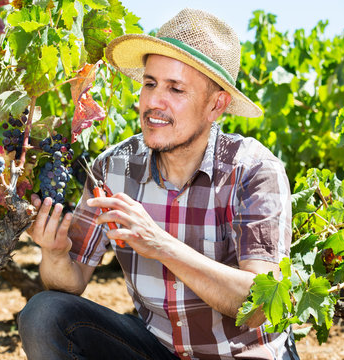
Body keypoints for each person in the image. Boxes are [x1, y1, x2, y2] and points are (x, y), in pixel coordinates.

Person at [18, 8, 299, 360]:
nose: (152, 102)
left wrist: (160, 244)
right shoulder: (112, 168)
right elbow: (69, 281)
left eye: (175, 89)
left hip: (243, 352)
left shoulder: (254, 171)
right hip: (158, 348)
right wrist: (55, 254)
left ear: (216, 105)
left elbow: (261, 305)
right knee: (45, 313)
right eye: (149, 83)